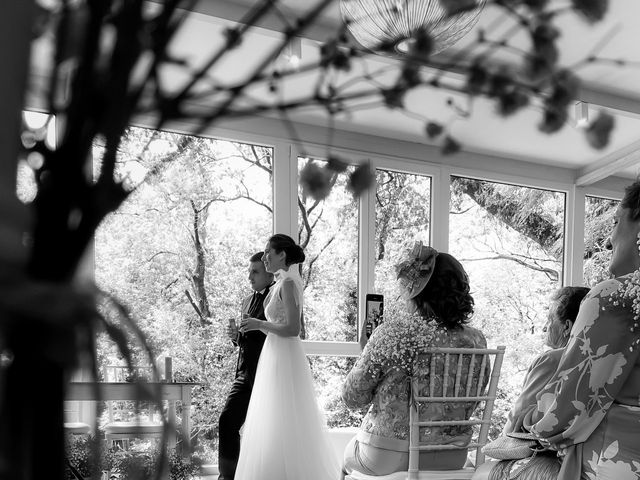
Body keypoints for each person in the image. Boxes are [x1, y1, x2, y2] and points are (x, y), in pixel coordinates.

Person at [517, 180, 640, 480]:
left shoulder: (612, 297)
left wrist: (531, 418)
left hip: (617, 463)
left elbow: (565, 413)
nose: (609, 241)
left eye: (615, 222)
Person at [341, 242, 488, 478]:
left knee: (345, 455)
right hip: (452, 456)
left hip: (389, 456)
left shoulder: (392, 332)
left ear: (414, 290)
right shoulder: (476, 340)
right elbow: (474, 400)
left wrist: (367, 350)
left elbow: (352, 398)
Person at [235, 234, 341, 480]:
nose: (264, 258)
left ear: (281, 254)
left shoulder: (289, 283)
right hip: (274, 355)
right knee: (273, 418)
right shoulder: (284, 282)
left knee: (282, 416)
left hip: (283, 357)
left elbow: (294, 330)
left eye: (267, 253)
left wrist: (260, 324)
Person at [472, 286, 589, 480]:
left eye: (550, 320)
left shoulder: (552, 359)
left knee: (480, 473)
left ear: (567, 327)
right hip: (585, 455)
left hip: (549, 456)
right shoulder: (601, 361)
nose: (544, 327)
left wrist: (498, 449)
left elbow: (516, 421)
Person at [218, 252, 274, 480]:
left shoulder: (277, 298)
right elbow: (246, 340)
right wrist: (236, 337)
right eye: (249, 271)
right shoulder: (246, 301)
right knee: (227, 420)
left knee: (265, 432)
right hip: (244, 375)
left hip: (268, 375)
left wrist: (259, 326)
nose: (250, 276)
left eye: (255, 271)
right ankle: (227, 477)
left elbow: (281, 335)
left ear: (269, 273)